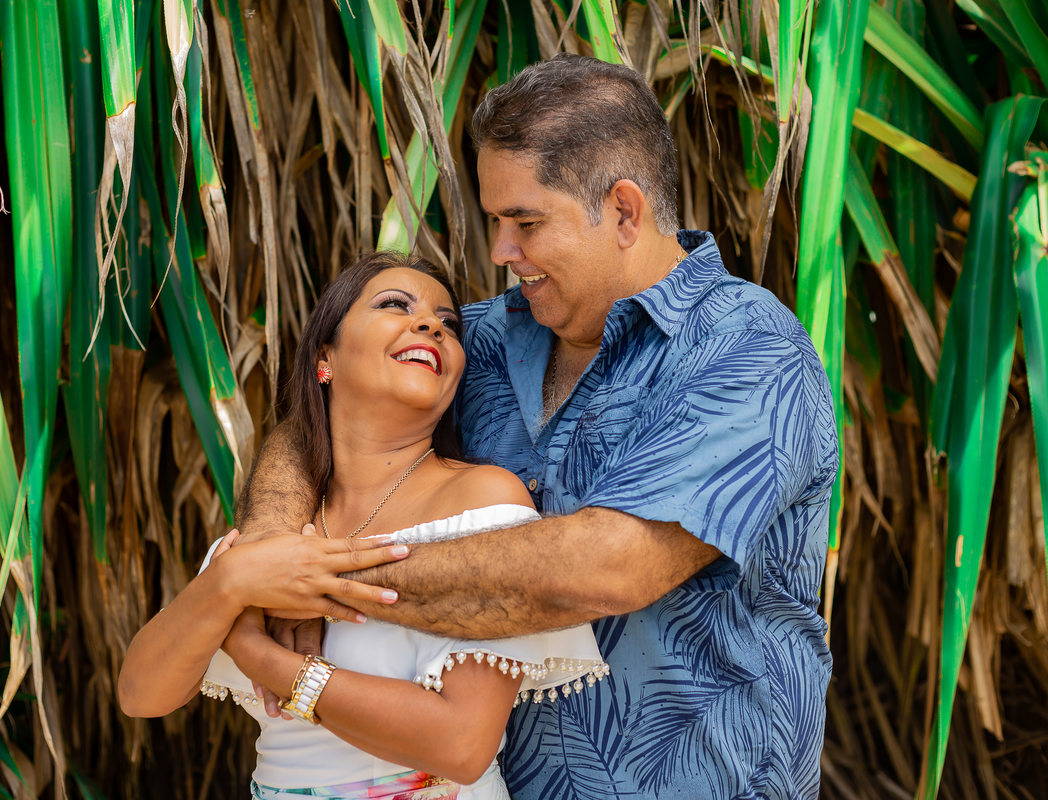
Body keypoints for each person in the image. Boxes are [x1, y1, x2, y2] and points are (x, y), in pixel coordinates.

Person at [235, 54, 840, 799]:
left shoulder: (749, 350)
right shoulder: (478, 340)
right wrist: (271, 542)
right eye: (497, 222)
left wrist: (317, 581)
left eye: (525, 223)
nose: (500, 252)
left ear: (624, 212)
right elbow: (320, 419)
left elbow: (607, 568)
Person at [118, 252, 607, 800]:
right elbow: (140, 695)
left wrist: (262, 658)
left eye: (448, 324)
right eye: (395, 305)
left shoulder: (481, 500)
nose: (431, 325)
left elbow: (462, 746)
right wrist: (228, 583)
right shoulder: (276, 526)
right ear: (325, 356)